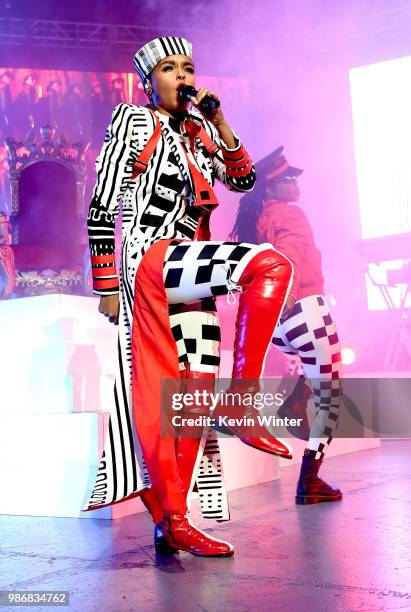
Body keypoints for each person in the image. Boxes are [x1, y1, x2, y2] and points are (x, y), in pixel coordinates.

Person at [85, 36, 293, 557]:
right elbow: (100, 207)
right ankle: (244, 404)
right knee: (268, 262)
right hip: (154, 261)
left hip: (191, 272)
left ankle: (174, 520)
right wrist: (109, 285)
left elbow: (244, 179)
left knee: (190, 404)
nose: (183, 76)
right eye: (171, 68)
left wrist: (220, 125)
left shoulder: (199, 132)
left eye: (189, 68)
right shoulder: (134, 122)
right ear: (149, 80)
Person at [231, 146, 343, 505]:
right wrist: (288, 295)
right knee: (332, 399)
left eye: (294, 177)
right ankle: (310, 479)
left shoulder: (257, 219)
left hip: (281, 327)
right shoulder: (290, 215)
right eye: (286, 179)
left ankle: (297, 402)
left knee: (317, 370)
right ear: (269, 188)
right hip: (303, 310)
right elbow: (289, 258)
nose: (295, 183)